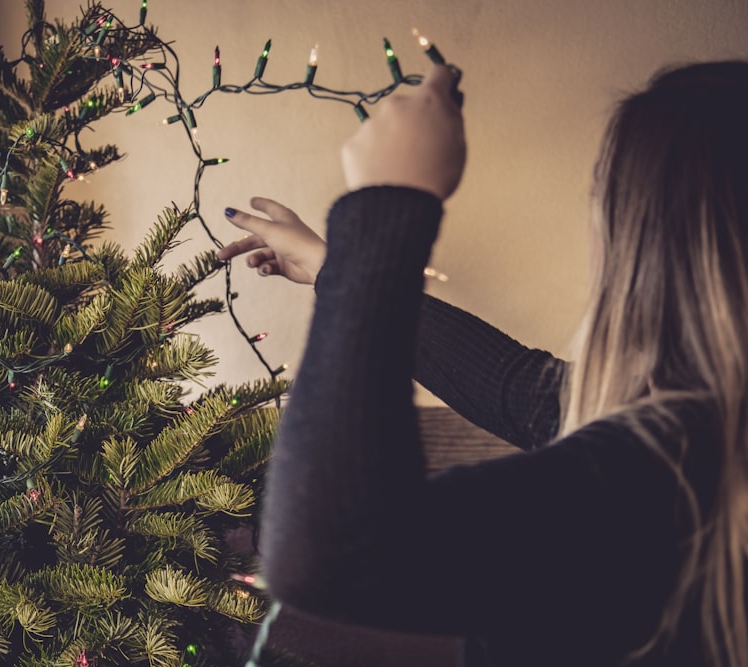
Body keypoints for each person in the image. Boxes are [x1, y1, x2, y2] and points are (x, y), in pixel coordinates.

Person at [217, 62, 748, 666]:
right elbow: (520, 388)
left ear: (649, 248)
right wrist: (331, 263)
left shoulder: (661, 476)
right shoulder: (704, 441)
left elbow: (327, 550)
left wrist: (388, 205)